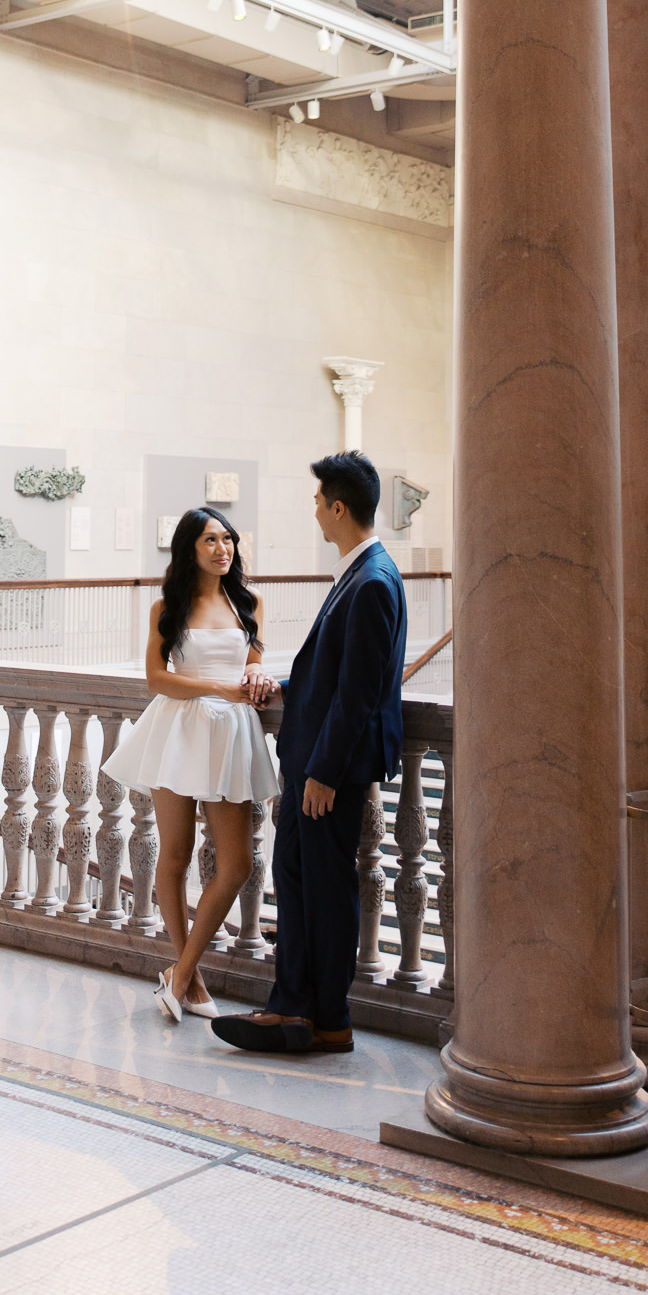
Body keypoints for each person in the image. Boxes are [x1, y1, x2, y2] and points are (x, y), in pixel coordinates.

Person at [212, 452, 405, 1055]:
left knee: (323, 887)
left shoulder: (372, 580)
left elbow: (359, 693)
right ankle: (293, 1007)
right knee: (296, 878)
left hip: (329, 770)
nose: (315, 510)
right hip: (313, 763)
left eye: (319, 501)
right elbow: (330, 678)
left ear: (339, 507)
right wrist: (281, 689)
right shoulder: (359, 571)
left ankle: (326, 1017)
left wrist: (322, 770)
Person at [103, 508, 280, 1020]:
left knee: (238, 863)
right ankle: (192, 979)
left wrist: (257, 675)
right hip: (179, 729)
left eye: (228, 540)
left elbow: (252, 661)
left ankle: (177, 974)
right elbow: (156, 679)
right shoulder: (169, 606)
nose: (222, 549)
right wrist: (220, 687)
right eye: (210, 540)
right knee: (175, 855)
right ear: (189, 548)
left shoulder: (249, 602)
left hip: (232, 734)